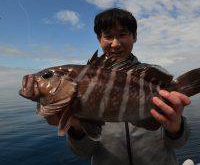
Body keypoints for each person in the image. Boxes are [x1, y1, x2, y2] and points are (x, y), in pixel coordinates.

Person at [67, 8, 191, 165]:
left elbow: (179, 144)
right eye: (108, 36)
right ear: (99, 39)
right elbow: (83, 152)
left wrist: (176, 128)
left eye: (122, 34)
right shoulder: (83, 85)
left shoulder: (155, 77)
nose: (115, 43)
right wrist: (78, 130)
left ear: (134, 37)